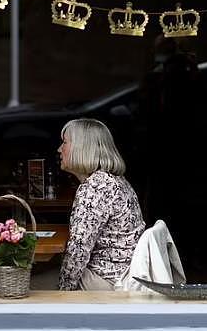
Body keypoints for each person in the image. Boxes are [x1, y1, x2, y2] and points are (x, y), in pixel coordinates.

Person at [57, 118, 145, 291]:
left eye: (64, 143)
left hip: (108, 281)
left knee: (30, 286)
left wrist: (62, 295)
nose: (59, 149)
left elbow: (78, 252)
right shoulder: (114, 181)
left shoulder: (96, 187)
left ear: (81, 147)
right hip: (123, 274)